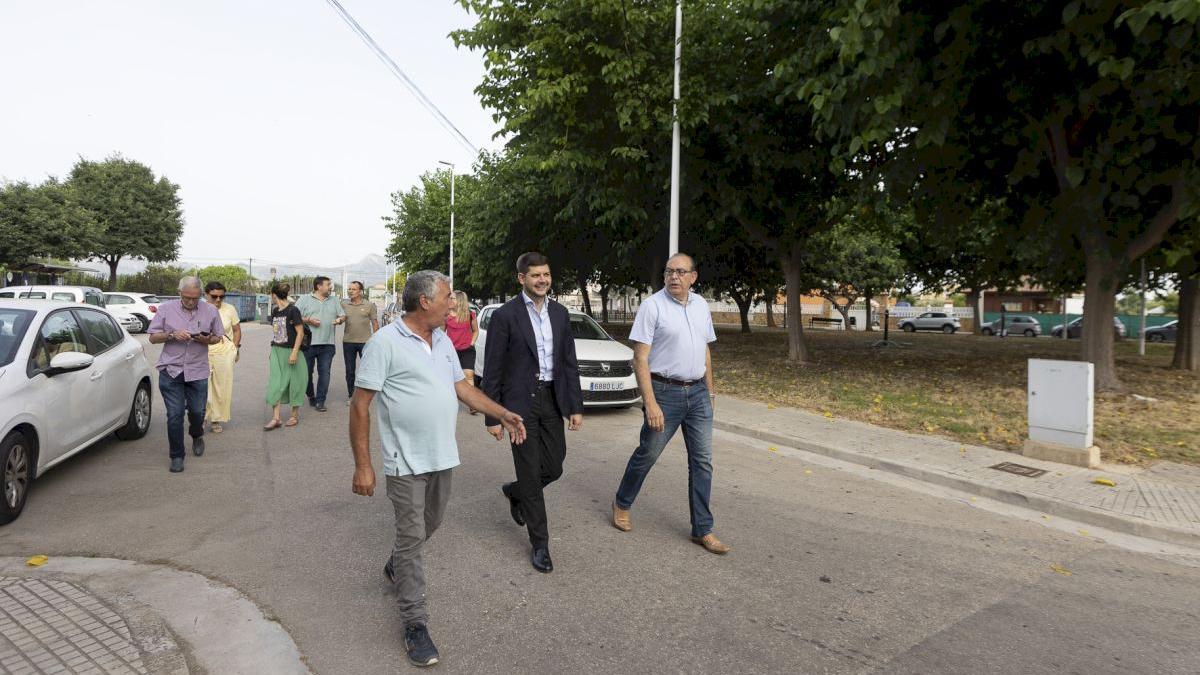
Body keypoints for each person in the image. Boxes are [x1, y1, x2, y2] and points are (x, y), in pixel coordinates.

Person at [350, 270, 525, 668]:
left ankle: (397, 564)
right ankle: (415, 622)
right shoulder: (385, 343)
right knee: (412, 537)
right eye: (447, 297)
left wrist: (501, 414)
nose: (453, 304)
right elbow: (360, 405)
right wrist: (364, 465)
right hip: (404, 460)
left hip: (442, 454)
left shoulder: (444, 341)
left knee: (431, 524)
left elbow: (461, 388)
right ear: (425, 301)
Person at [611, 253, 730, 554]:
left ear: (693, 276)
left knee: (702, 462)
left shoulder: (702, 305)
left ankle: (702, 529)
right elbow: (640, 358)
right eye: (669, 272)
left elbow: (705, 351)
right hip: (664, 392)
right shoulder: (652, 307)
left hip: (699, 393)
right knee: (647, 454)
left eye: (680, 272)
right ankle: (622, 503)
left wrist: (711, 393)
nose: (673, 277)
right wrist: (650, 403)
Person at [481, 252, 584, 573]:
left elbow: (568, 362)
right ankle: (540, 544)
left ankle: (515, 492)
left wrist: (574, 406)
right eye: (536, 275)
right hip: (518, 407)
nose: (542, 280)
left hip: (552, 400)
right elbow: (494, 368)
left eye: (547, 274)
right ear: (521, 278)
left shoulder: (560, 313)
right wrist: (493, 416)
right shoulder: (505, 316)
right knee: (529, 471)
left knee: (554, 467)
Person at [147, 276, 224, 473]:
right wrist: (172, 335)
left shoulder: (210, 310)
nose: (191, 302)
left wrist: (205, 340)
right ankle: (176, 455)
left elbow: (217, 337)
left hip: (197, 371)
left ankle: (197, 434)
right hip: (171, 371)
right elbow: (153, 337)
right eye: (187, 297)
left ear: (200, 295)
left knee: (197, 413)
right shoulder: (165, 309)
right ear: (179, 292)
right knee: (175, 414)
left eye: (195, 298)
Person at [296, 276, 346, 412]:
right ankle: (311, 395)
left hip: (327, 345)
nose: (330, 287)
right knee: (306, 374)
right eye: (328, 284)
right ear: (319, 286)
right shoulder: (304, 299)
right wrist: (309, 320)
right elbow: (294, 316)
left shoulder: (334, 300)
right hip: (308, 345)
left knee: (325, 373)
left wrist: (340, 320)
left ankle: (320, 401)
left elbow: (342, 315)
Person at [265, 282, 309, 430]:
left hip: (292, 351)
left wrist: (295, 352)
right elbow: (277, 334)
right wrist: (272, 352)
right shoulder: (275, 310)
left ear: (273, 295)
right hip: (277, 350)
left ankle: (294, 415)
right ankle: (276, 418)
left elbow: (300, 333)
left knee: (296, 383)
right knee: (275, 384)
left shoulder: (293, 310)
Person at [204, 281, 241, 434]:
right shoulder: (199, 308)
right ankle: (201, 417)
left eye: (221, 297)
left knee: (221, 387)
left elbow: (237, 330)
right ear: (206, 294)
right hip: (202, 352)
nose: (218, 300)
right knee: (202, 387)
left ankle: (216, 419)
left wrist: (235, 347)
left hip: (224, 352)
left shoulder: (230, 309)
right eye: (214, 296)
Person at [341, 280, 379, 405]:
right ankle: (352, 396)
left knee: (367, 370)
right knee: (350, 371)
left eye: (353, 289)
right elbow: (337, 316)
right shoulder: (344, 305)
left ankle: (366, 395)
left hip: (365, 343)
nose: (350, 291)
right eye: (349, 289)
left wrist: (377, 341)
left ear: (360, 291)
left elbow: (375, 323)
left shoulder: (369, 305)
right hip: (348, 342)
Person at [443, 291, 479, 413]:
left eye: (452, 298)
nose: (450, 300)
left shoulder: (470, 315)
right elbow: (442, 333)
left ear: (460, 301)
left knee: (469, 376)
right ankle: (448, 403)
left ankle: (472, 404)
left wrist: (472, 342)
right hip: (452, 351)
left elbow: (475, 331)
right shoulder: (446, 316)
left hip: (467, 350)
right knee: (450, 378)